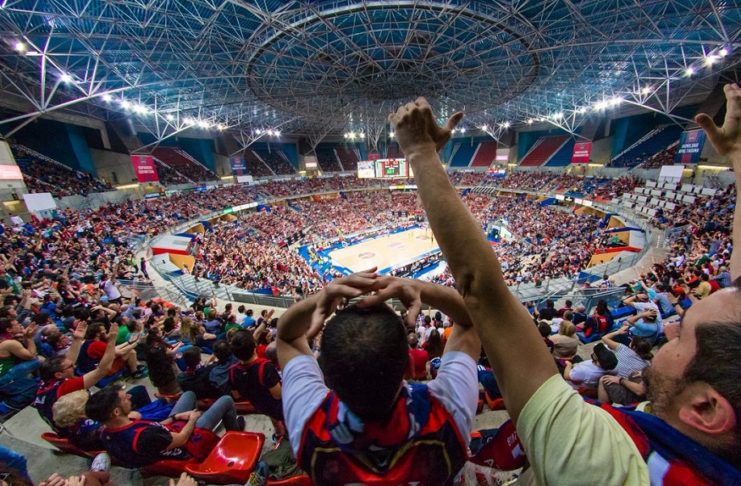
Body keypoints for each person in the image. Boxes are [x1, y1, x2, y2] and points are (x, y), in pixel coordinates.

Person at [388, 91, 741, 483]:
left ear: (707, 408)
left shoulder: (603, 461)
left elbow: (481, 289)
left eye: (682, 335)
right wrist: (738, 156)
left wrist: (419, 152)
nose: (669, 327)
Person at [277, 272, 480, 484]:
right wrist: (420, 287)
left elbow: (287, 337)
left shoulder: (308, 423)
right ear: (410, 367)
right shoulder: (448, 411)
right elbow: (470, 321)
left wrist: (319, 299)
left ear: (326, 376)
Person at [85, 385, 244, 467]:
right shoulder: (143, 437)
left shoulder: (106, 432)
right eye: (124, 398)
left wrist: (176, 417)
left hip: (167, 432)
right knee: (226, 400)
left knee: (188, 394)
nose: (130, 396)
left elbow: (154, 426)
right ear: (116, 412)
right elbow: (181, 439)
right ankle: (236, 436)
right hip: (185, 443)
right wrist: (192, 419)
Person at [34, 322, 119, 429]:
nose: (74, 366)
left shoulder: (46, 383)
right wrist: (111, 341)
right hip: (86, 428)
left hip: (64, 428)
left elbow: (68, 361)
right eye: (71, 367)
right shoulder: (64, 387)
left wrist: (77, 340)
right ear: (59, 374)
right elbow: (103, 370)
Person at [228, 330, 286, 439]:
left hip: (259, 404)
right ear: (254, 346)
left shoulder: (232, 371)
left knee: (272, 415)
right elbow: (278, 395)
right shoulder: (265, 367)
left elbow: (236, 395)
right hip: (278, 406)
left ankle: (278, 433)